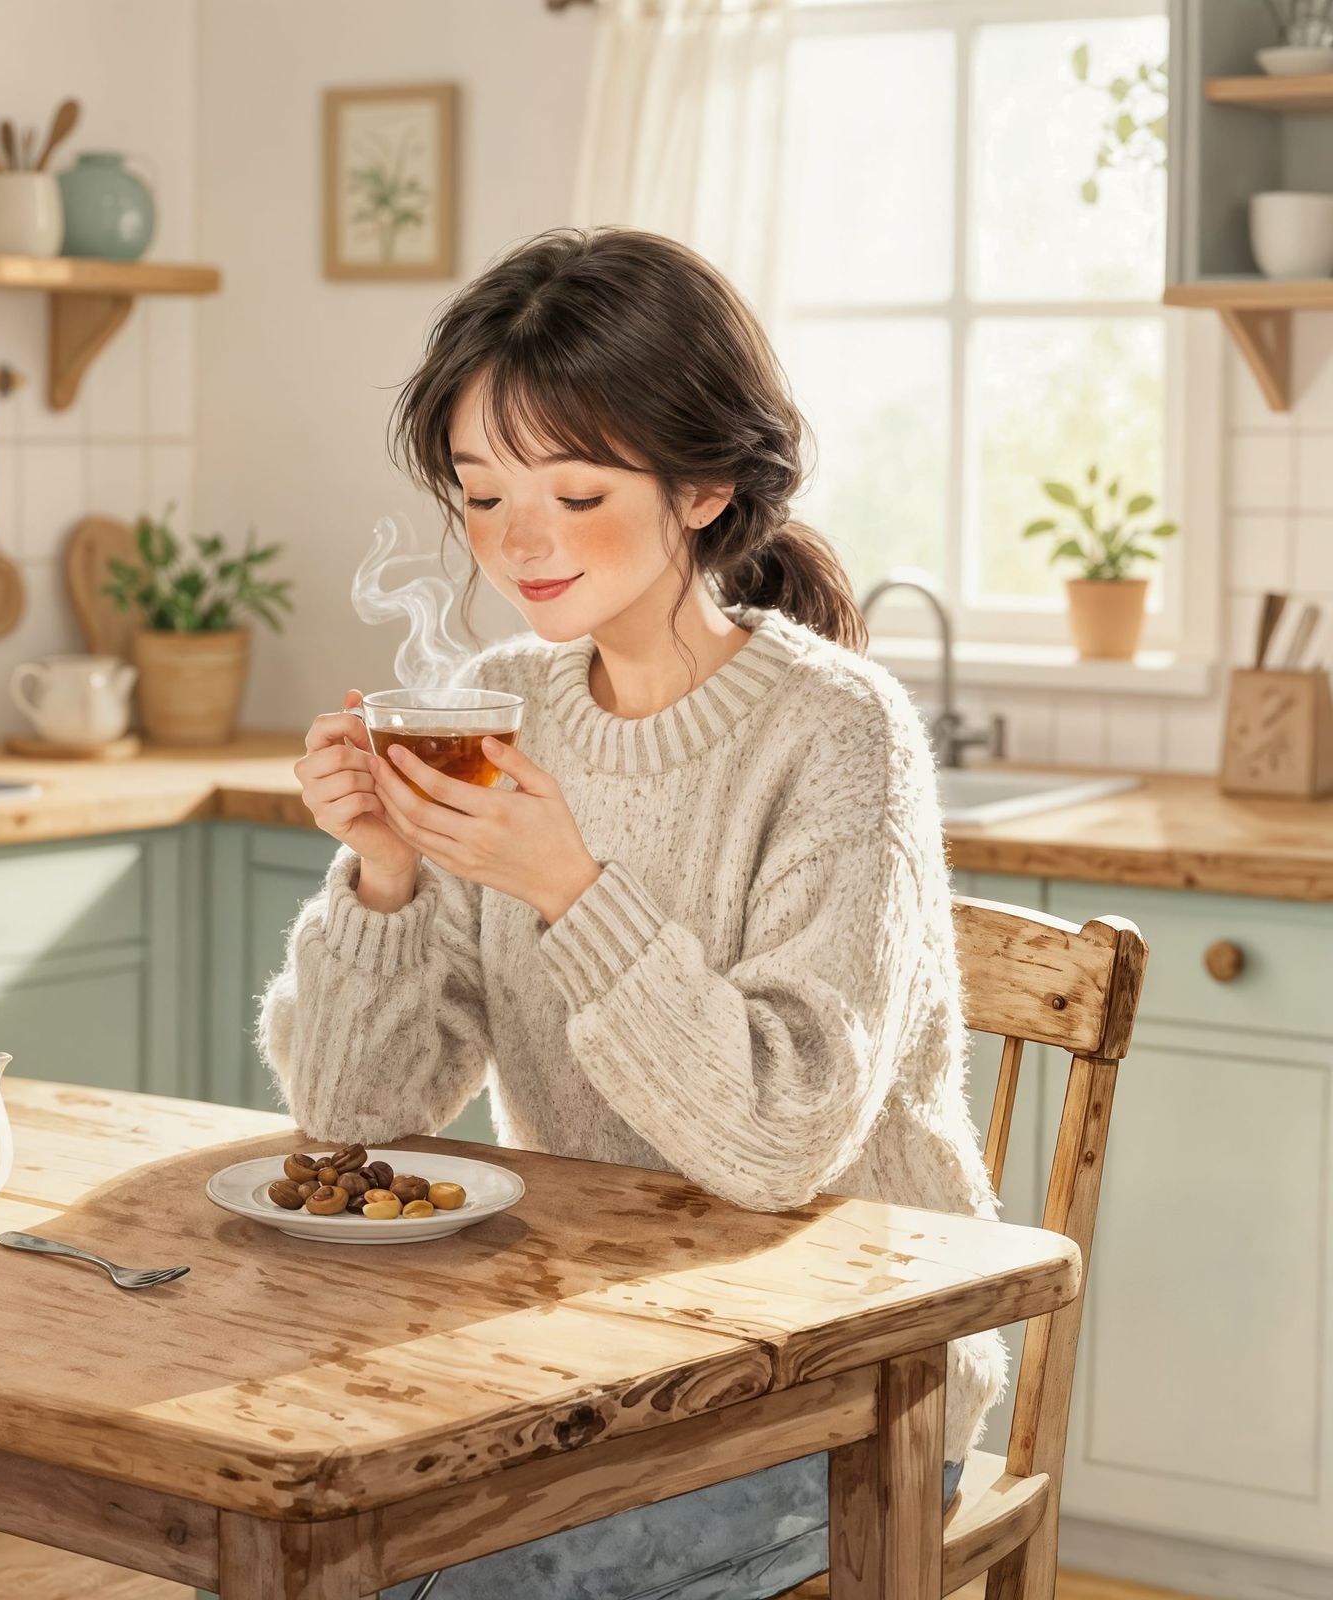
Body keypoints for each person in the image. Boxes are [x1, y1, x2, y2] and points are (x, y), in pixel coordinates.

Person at [258, 225, 1005, 1600]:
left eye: (578, 492)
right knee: (280, 1556)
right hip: (594, 1349)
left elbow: (780, 1142)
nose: (518, 542)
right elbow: (354, 1120)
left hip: (848, 1381)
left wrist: (567, 887)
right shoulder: (506, 706)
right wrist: (383, 871)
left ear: (707, 485)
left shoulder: (839, 735)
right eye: (482, 497)